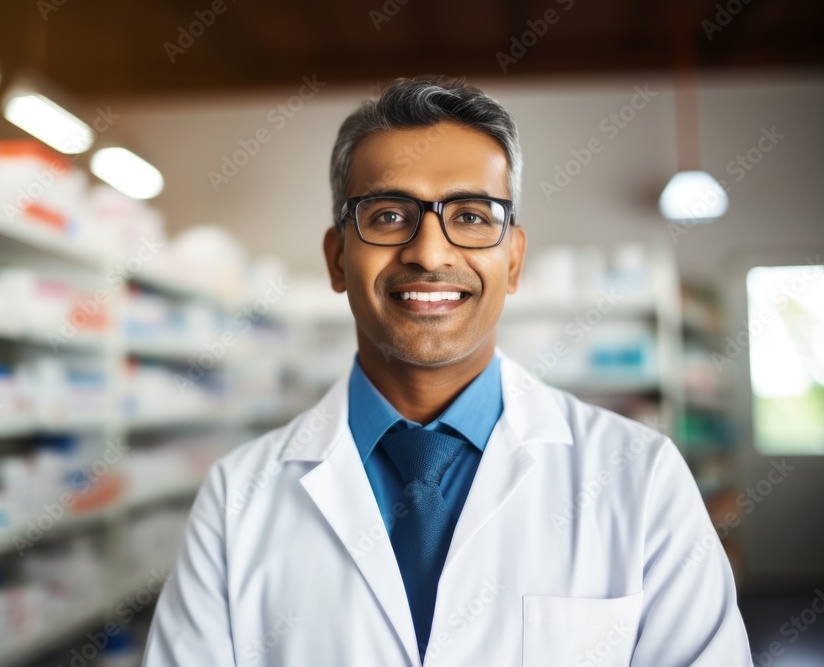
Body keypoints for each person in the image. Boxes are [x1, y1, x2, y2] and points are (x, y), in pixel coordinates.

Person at [142, 75, 752, 666]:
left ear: (512, 261)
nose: (430, 253)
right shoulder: (236, 497)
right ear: (336, 259)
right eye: (386, 216)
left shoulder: (639, 476)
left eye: (471, 215)